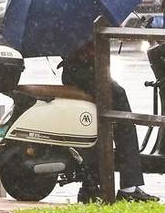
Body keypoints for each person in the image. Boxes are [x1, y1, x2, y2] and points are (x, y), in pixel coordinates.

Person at [60, 41, 159, 202]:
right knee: (124, 121)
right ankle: (129, 187)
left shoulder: (71, 23)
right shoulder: (86, 20)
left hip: (75, 71)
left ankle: (91, 183)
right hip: (87, 72)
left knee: (100, 123)